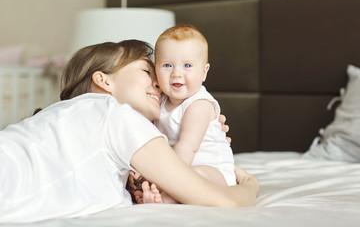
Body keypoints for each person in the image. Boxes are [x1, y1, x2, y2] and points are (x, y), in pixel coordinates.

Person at [0, 40, 258, 223]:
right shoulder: (114, 114)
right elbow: (224, 201)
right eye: (147, 71)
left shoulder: (69, 118)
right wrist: (250, 184)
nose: (159, 82)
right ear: (104, 80)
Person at [134, 24, 236, 204]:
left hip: (216, 172)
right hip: (176, 169)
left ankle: (164, 199)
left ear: (204, 72)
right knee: (182, 180)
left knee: (196, 176)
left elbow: (187, 147)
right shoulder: (160, 101)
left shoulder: (199, 104)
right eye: (167, 65)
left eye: (187, 65)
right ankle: (159, 195)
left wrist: (163, 180)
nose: (176, 73)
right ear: (156, 68)